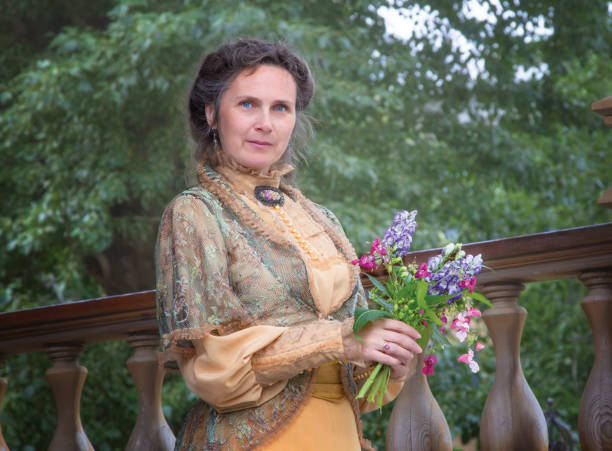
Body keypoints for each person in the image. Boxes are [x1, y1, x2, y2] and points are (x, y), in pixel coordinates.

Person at [155, 39, 422, 451]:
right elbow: (215, 370)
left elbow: (355, 386)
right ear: (211, 114)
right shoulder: (195, 213)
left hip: (340, 435)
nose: (266, 122)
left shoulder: (321, 219)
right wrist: (342, 339)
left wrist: (387, 360)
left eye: (281, 108)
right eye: (247, 104)